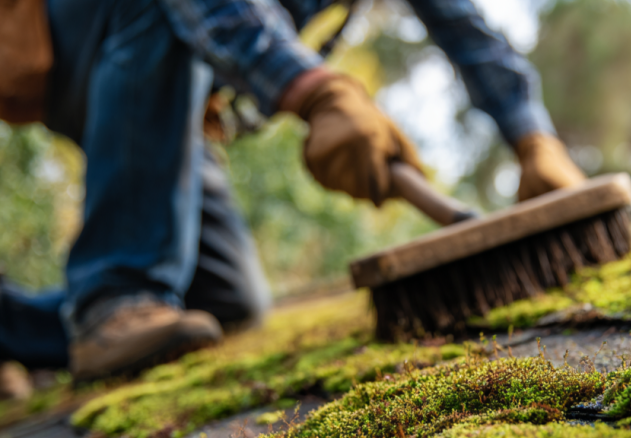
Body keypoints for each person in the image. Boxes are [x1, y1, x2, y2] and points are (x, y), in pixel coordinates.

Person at [0, 0, 585, 391]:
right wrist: (314, 91)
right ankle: (113, 295)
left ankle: (17, 329)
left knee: (225, 304)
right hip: (91, 38)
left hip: (173, 84)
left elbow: (465, 27)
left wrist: (534, 138)